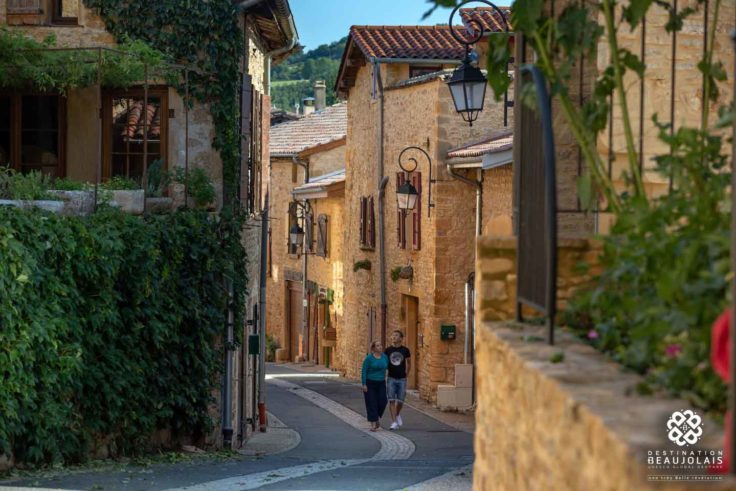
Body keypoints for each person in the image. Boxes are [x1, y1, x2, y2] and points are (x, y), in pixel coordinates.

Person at [385, 330, 411, 430]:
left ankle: (397, 414)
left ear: (401, 338)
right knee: (391, 400)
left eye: (396, 335)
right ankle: (394, 422)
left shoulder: (405, 350)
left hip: (402, 379)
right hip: (391, 378)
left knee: (400, 401)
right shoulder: (387, 350)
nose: (394, 337)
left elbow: (409, 363)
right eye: (393, 335)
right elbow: (384, 363)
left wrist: (407, 374)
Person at [361, 340, 388, 432]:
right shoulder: (369, 358)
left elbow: (388, 368)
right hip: (370, 383)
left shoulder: (385, 357)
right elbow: (364, 371)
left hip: (381, 383)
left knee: (383, 401)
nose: (380, 347)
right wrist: (364, 384)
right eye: (377, 346)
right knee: (372, 403)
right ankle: (373, 424)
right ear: (373, 348)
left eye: (380, 345)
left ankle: (376, 417)